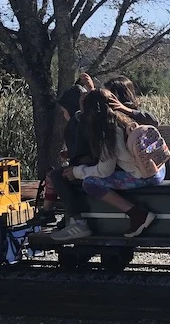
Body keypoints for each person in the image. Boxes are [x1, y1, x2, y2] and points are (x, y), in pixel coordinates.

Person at [70, 88, 163, 238]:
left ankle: (138, 215)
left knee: (90, 183)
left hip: (145, 176)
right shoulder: (126, 120)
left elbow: (105, 171)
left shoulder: (108, 132)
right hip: (159, 169)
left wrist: (77, 172)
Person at [37, 85, 94, 240]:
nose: (63, 114)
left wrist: (74, 161)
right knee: (57, 174)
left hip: (90, 168)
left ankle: (76, 220)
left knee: (57, 176)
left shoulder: (76, 123)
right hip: (91, 165)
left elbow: (83, 151)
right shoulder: (87, 121)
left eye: (64, 111)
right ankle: (63, 216)